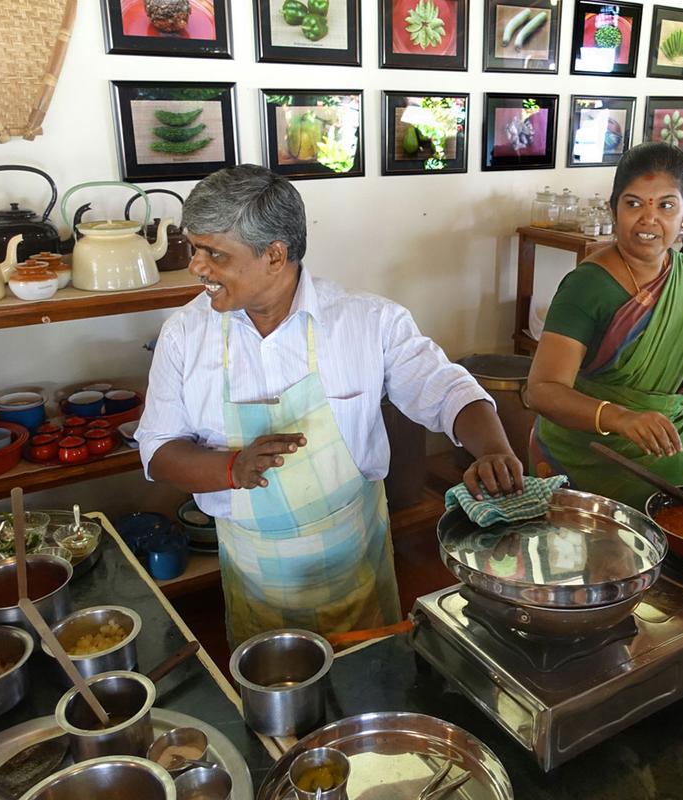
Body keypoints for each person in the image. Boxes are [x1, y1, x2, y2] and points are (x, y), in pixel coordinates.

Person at [136, 165, 523, 647]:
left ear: (275, 255)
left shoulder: (368, 321)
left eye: (214, 253)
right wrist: (232, 467)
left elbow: (447, 389)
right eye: (196, 249)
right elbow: (157, 448)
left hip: (354, 563)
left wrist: (491, 448)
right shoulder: (184, 335)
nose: (197, 266)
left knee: (368, 685)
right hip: (255, 575)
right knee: (276, 707)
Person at [527, 142, 683, 511]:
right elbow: (542, 390)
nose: (649, 219)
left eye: (666, 205)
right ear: (614, 209)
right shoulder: (588, 286)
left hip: (665, 466)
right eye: (633, 204)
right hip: (583, 467)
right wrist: (620, 417)